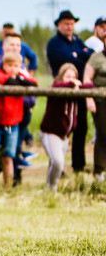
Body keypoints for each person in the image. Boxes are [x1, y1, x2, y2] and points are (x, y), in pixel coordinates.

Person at [47, 10, 93, 173]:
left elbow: (90, 56)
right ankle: (55, 166)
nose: (69, 26)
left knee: (81, 126)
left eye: (72, 23)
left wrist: (77, 54)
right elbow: (68, 60)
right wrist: (79, 56)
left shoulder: (77, 41)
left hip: (79, 89)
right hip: (61, 91)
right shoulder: (54, 43)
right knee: (59, 127)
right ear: (59, 25)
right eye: (66, 23)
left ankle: (78, 165)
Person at [0, 52, 37, 187]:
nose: (13, 68)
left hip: (12, 124)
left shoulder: (22, 76)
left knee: (8, 158)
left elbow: (34, 83)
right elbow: (8, 81)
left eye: (16, 65)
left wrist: (21, 79)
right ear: (3, 65)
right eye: (9, 65)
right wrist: (21, 82)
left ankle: (7, 187)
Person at [41, 64, 93, 191]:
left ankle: (52, 187)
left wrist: (78, 85)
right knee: (57, 161)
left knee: (58, 163)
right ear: (61, 76)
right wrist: (72, 84)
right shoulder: (55, 87)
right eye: (67, 76)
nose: (70, 79)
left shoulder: (75, 88)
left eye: (73, 76)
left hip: (65, 135)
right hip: (51, 132)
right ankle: (51, 189)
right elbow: (56, 86)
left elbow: (90, 85)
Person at [84, 40, 106, 180]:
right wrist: (89, 98)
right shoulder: (96, 58)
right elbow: (87, 78)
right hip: (100, 100)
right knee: (103, 133)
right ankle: (99, 170)